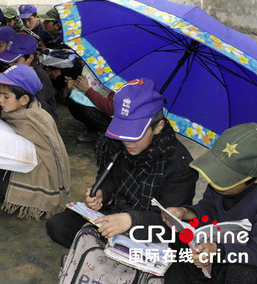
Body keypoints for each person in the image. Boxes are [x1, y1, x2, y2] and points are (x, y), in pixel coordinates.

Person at [46, 78, 198, 248]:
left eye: (135, 134)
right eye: (122, 131)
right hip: (113, 212)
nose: (127, 141)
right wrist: (102, 193)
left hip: (148, 228)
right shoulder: (116, 143)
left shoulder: (179, 165)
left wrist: (132, 220)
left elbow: (171, 224)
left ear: (158, 127)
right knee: (59, 226)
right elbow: (110, 177)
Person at [163, 123, 257, 284]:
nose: (215, 182)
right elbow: (208, 208)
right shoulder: (220, 185)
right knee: (179, 245)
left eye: (228, 178)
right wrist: (185, 212)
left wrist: (218, 250)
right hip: (216, 253)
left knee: (241, 274)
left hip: (246, 263)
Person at [0, 65, 71, 221]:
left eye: (6, 96)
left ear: (24, 99)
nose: (0, 100)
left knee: (4, 188)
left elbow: (50, 155)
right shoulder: (16, 112)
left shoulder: (39, 119)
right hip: (22, 162)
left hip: (40, 171)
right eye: (0, 94)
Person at [0, 33, 58, 123]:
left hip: (40, 121)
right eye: (9, 61)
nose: (11, 65)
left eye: (15, 61)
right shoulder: (12, 70)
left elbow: (36, 106)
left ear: (30, 58)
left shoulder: (40, 76)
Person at [65, 61, 114, 143]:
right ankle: (94, 131)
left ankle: (110, 134)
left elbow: (111, 108)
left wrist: (87, 90)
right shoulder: (92, 67)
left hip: (115, 116)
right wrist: (73, 87)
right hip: (98, 103)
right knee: (72, 102)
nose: (81, 61)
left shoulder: (119, 75)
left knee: (89, 110)